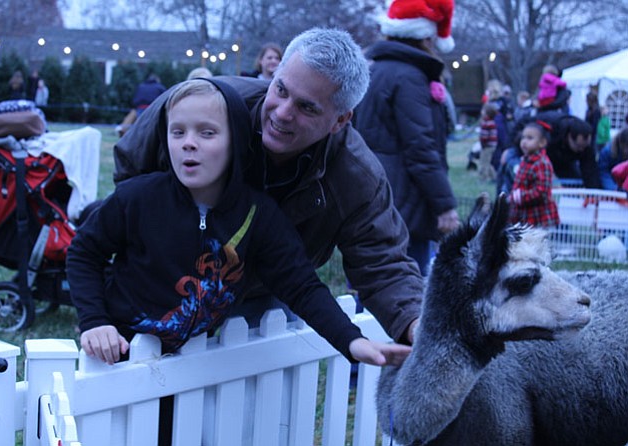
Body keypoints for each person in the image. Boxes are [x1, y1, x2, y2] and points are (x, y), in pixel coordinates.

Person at [113, 28, 425, 347]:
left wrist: (416, 325)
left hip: (267, 292)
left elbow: (383, 263)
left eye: (307, 107)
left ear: (340, 120)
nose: (282, 113)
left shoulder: (357, 177)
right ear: (274, 75)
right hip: (170, 274)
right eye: (281, 90)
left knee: (254, 384)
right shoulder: (205, 103)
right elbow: (132, 168)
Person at [68, 78, 407, 369]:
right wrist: (95, 323)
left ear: (237, 142)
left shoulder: (259, 216)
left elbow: (301, 286)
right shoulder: (137, 197)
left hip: (193, 365)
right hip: (115, 356)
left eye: (207, 132)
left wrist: (352, 342)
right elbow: (84, 251)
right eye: (178, 131)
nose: (188, 142)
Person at [353, 0, 459, 276]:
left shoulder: (374, 71)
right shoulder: (410, 77)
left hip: (371, 194)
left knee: (376, 281)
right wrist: (445, 205)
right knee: (408, 282)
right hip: (404, 204)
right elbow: (420, 148)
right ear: (426, 36)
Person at [520, 110, 601, 188]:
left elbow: (591, 172)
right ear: (569, 137)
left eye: (584, 147)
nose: (581, 150)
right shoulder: (551, 128)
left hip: (563, 162)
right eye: (578, 146)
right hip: (531, 154)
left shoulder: (585, 146)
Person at [509, 121, 559, 228]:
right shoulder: (526, 160)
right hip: (524, 214)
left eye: (530, 138)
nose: (524, 142)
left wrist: (521, 196)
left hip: (538, 217)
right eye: (523, 137)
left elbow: (541, 192)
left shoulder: (541, 163)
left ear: (542, 143)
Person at [478, 102, 498, 181]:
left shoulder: (487, 123)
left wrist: (483, 143)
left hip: (487, 146)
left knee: (484, 162)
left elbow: (485, 136)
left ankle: (484, 178)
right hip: (491, 145)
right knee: (488, 162)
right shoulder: (490, 122)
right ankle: (494, 176)